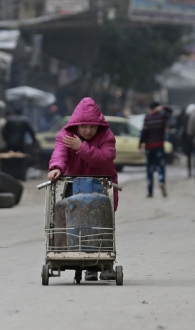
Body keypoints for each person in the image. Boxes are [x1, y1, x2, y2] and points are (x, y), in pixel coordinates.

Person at [47, 97, 119, 281]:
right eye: (84, 126)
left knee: (99, 225)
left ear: (98, 126)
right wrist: (56, 167)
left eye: (92, 126)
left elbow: (105, 158)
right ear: (76, 125)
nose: (88, 130)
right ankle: (74, 257)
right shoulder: (66, 135)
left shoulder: (106, 136)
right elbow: (59, 153)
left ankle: (98, 263)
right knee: (73, 224)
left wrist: (81, 147)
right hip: (73, 186)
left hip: (100, 186)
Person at [138, 101, 171, 198]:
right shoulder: (162, 117)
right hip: (159, 146)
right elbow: (170, 111)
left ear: (150, 109)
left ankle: (150, 192)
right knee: (161, 166)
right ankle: (161, 180)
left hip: (149, 147)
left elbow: (143, 133)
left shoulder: (147, 118)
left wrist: (140, 145)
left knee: (149, 169)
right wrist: (163, 107)